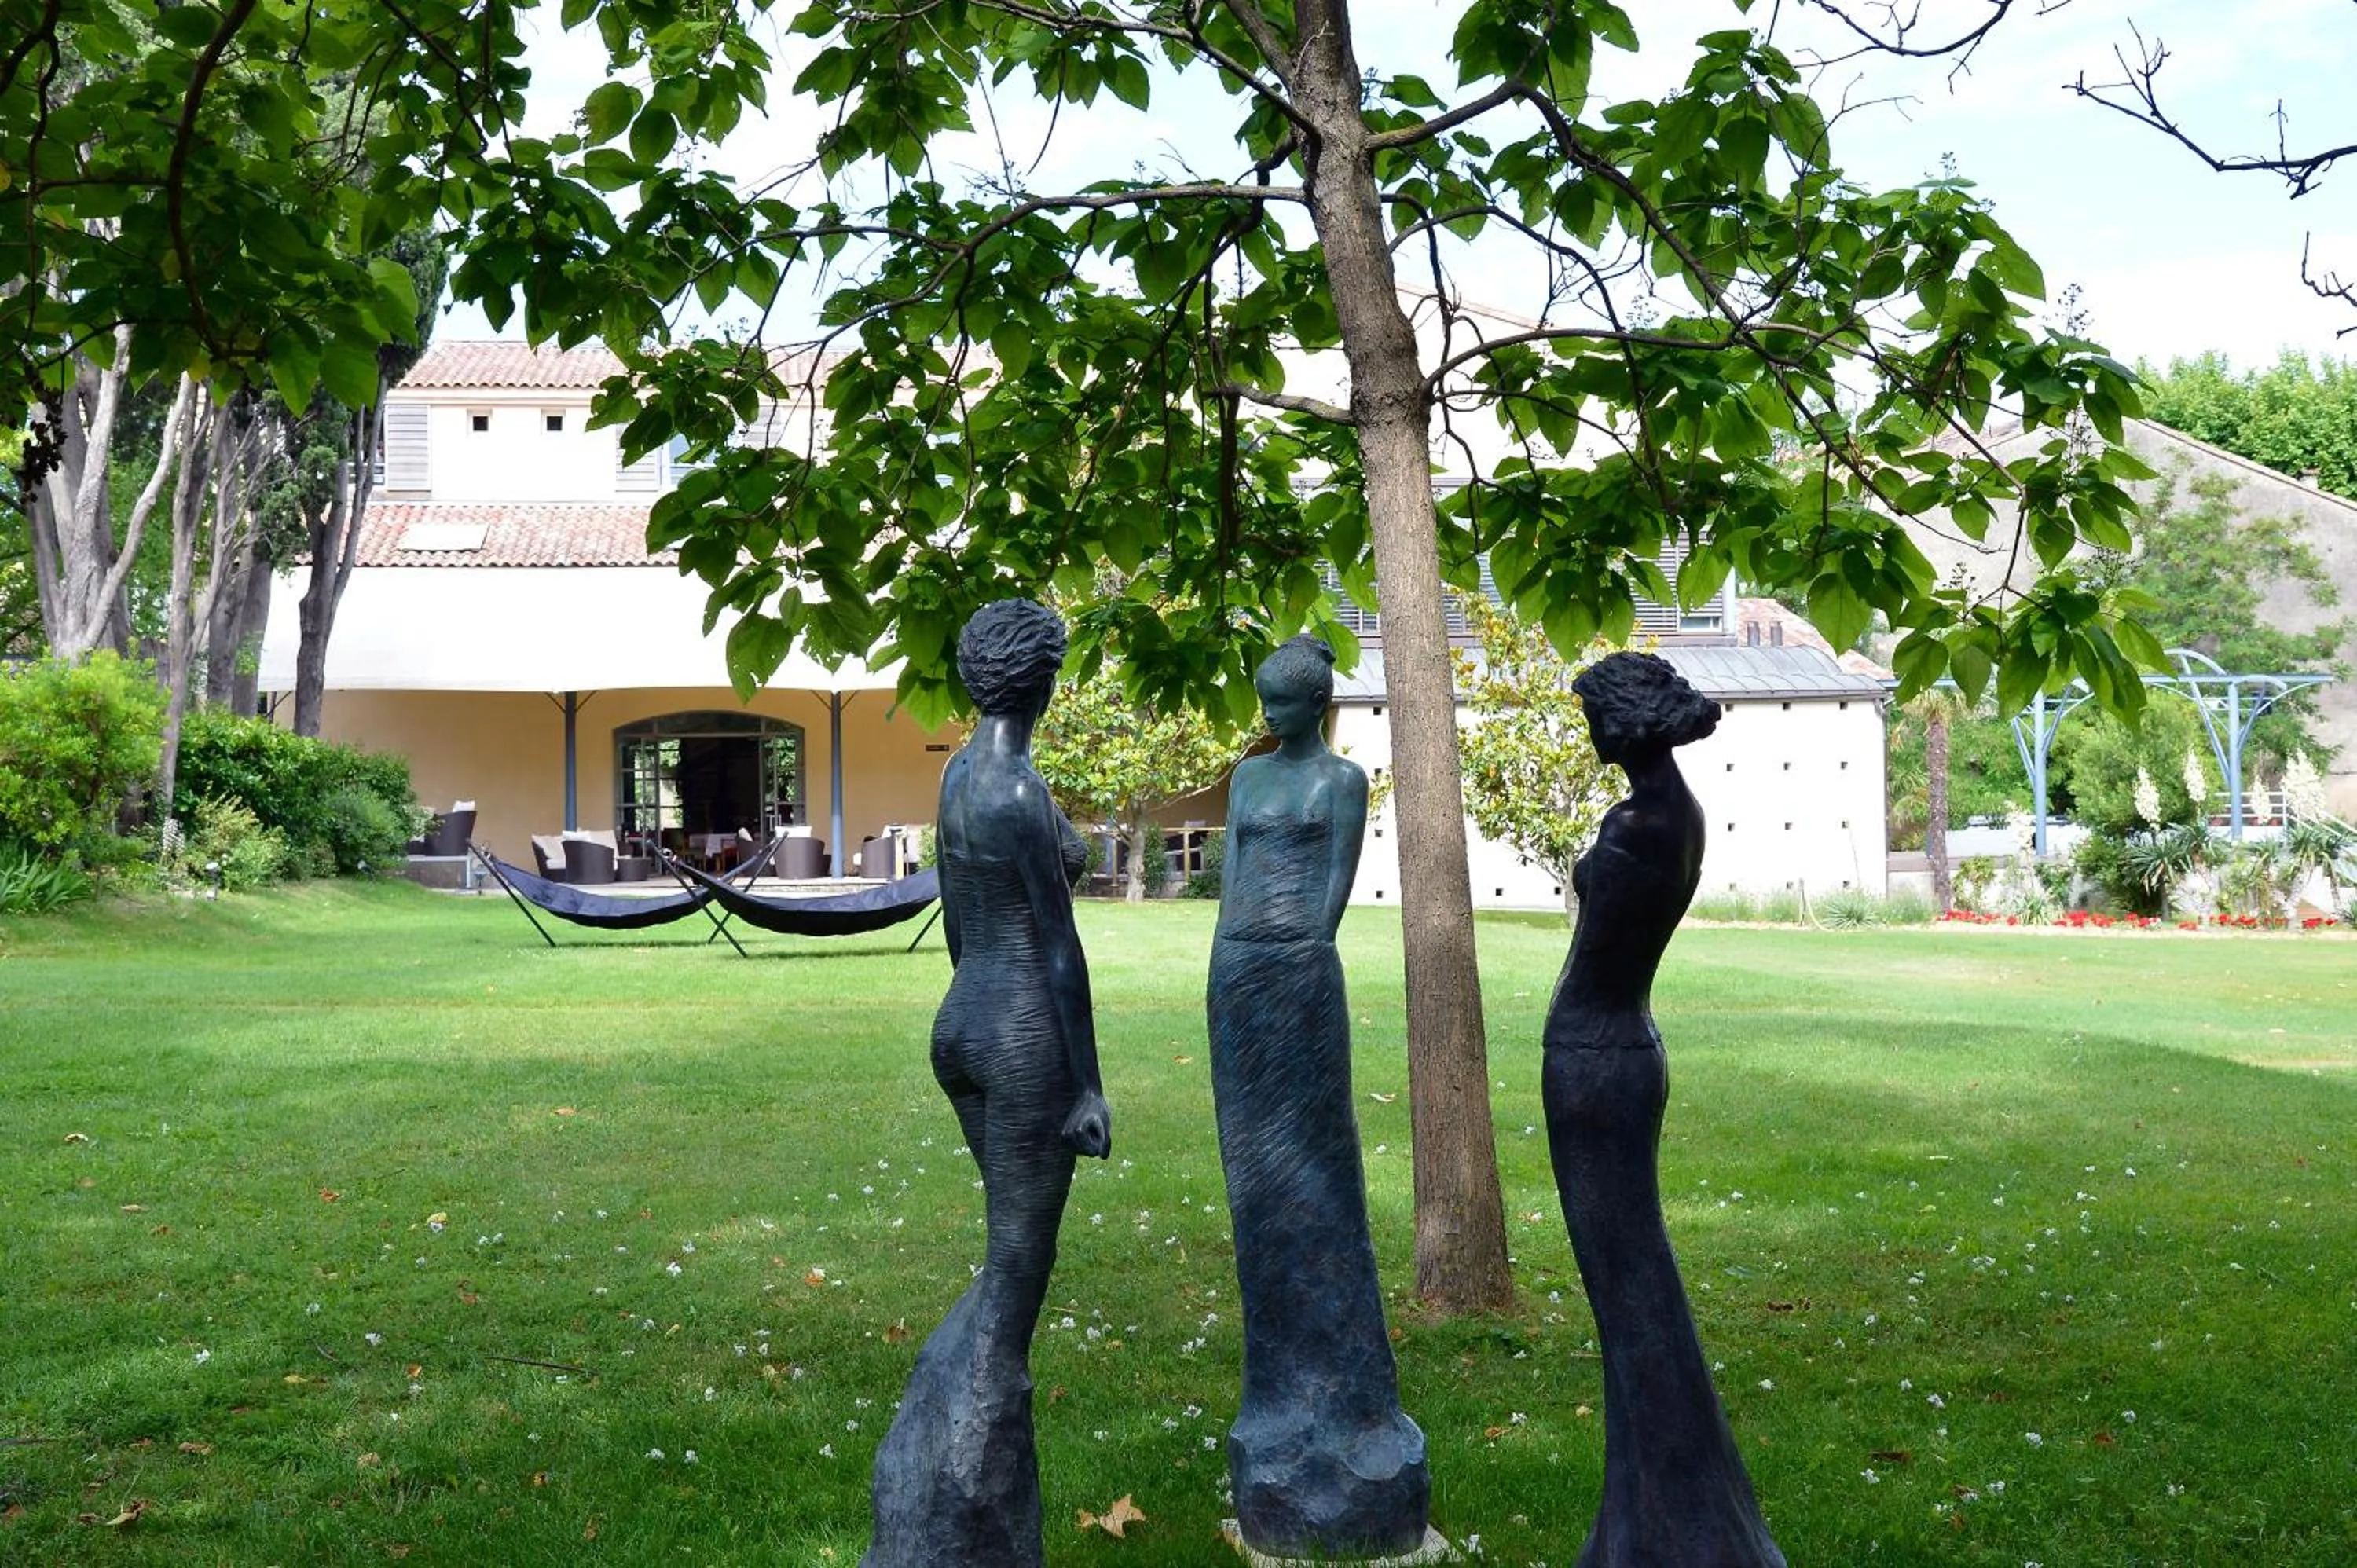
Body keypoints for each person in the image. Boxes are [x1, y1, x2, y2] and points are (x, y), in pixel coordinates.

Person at [864, 599, 1110, 1568]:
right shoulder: (1014, 789)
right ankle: (956, 1508)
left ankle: (933, 1458)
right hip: (1019, 1033)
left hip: (962, 1020)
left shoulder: (962, 771)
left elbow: (965, 918)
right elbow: (1059, 952)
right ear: (1046, 683)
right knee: (1017, 1275)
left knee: (1004, 1258)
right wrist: (1085, 1084)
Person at [1544, 650, 1783, 1568]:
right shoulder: (1678, 813)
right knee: (1630, 1298)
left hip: (1595, 1059)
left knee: (1633, 1299)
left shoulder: (1639, 824)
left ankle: (1683, 1535)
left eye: (1595, 715)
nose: (1591, 732)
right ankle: (1641, 1527)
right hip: (1619, 1051)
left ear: (1627, 720)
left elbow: (1599, 931)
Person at [1208, 634, 1430, 1559]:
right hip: (1240, 973)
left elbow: (1334, 886)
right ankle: (1277, 1392)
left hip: (1300, 975)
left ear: (1316, 704)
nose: (1268, 718)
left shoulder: (1341, 782)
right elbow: (1228, 884)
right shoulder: (1247, 782)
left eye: (1280, 704)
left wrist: (1294, 952)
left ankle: (1346, 1395)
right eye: (1261, 702)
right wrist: (1234, 960)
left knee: (1319, 1177)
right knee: (1258, 1186)